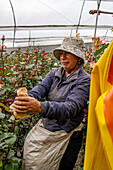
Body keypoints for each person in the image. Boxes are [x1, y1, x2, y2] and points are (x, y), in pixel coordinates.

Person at [10, 37, 90, 170]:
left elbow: (70, 108)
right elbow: (39, 89)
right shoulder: (54, 73)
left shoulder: (84, 80)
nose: (63, 57)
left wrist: (40, 107)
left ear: (79, 58)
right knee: (30, 159)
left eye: (67, 53)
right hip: (46, 126)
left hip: (65, 131)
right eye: (61, 54)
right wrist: (24, 100)